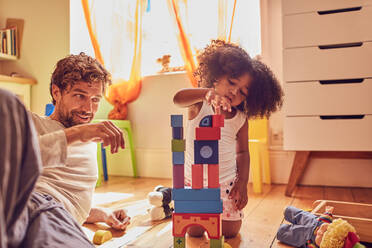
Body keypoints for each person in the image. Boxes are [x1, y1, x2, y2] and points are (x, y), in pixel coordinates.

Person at [0, 53, 130, 248]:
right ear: (56, 92)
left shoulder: (89, 139)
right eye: (80, 96)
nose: (88, 108)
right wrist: (78, 134)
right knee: (5, 101)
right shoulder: (32, 123)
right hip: (24, 203)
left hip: (54, 218)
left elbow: (67, 200)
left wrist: (103, 214)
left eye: (95, 99)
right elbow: (17, 161)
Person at [173, 39, 284, 238]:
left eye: (243, 92)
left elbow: (242, 153)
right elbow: (178, 98)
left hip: (225, 185)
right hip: (194, 182)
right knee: (193, 231)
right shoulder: (199, 105)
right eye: (232, 83)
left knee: (230, 232)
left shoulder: (240, 119)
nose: (234, 91)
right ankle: (170, 198)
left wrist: (242, 183)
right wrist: (206, 93)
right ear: (215, 77)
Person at [276, 206, 366, 248]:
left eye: (322, 237)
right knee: (301, 215)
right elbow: (327, 217)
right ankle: (288, 211)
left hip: (304, 237)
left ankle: (282, 230)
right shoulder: (325, 223)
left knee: (288, 234)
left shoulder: (314, 245)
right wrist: (328, 211)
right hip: (312, 221)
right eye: (326, 229)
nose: (320, 232)